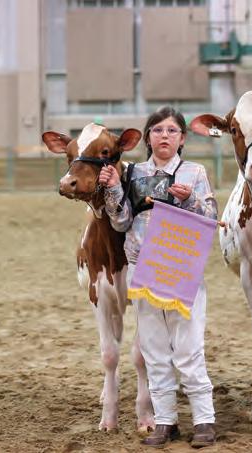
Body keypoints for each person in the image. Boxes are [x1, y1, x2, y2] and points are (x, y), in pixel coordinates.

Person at [99, 106, 217, 448]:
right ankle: (165, 421)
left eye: (171, 130)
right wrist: (114, 189)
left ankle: (204, 420)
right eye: (157, 130)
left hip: (180, 265)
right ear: (148, 138)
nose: (164, 135)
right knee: (153, 347)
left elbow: (211, 217)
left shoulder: (194, 172)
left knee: (188, 346)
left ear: (182, 138)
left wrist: (190, 200)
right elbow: (121, 222)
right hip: (143, 265)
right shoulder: (133, 173)